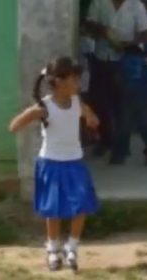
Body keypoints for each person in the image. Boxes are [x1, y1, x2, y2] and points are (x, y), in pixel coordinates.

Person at [8, 57, 99, 272]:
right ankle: (52, 249)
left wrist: (91, 118)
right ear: (59, 82)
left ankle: (72, 247)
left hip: (74, 161)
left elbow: (93, 119)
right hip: (51, 163)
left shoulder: (77, 103)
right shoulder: (46, 107)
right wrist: (29, 115)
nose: (77, 84)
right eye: (74, 80)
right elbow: (15, 125)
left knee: (82, 205)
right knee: (54, 210)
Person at [85, 0, 147, 156]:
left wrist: (131, 42)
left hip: (124, 60)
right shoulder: (100, 0)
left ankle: (121, 146)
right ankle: (104, 141)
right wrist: (104, 31)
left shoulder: (136, 5)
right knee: (99, 102)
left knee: (122, 104)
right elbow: (89, 23)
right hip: (101, 57)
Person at [111, 45, 147, 166]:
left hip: (127, 97)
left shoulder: (122, 62)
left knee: (123, 126)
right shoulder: (144, 64)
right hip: (145, 96)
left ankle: (119, 155)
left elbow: (117, 79)